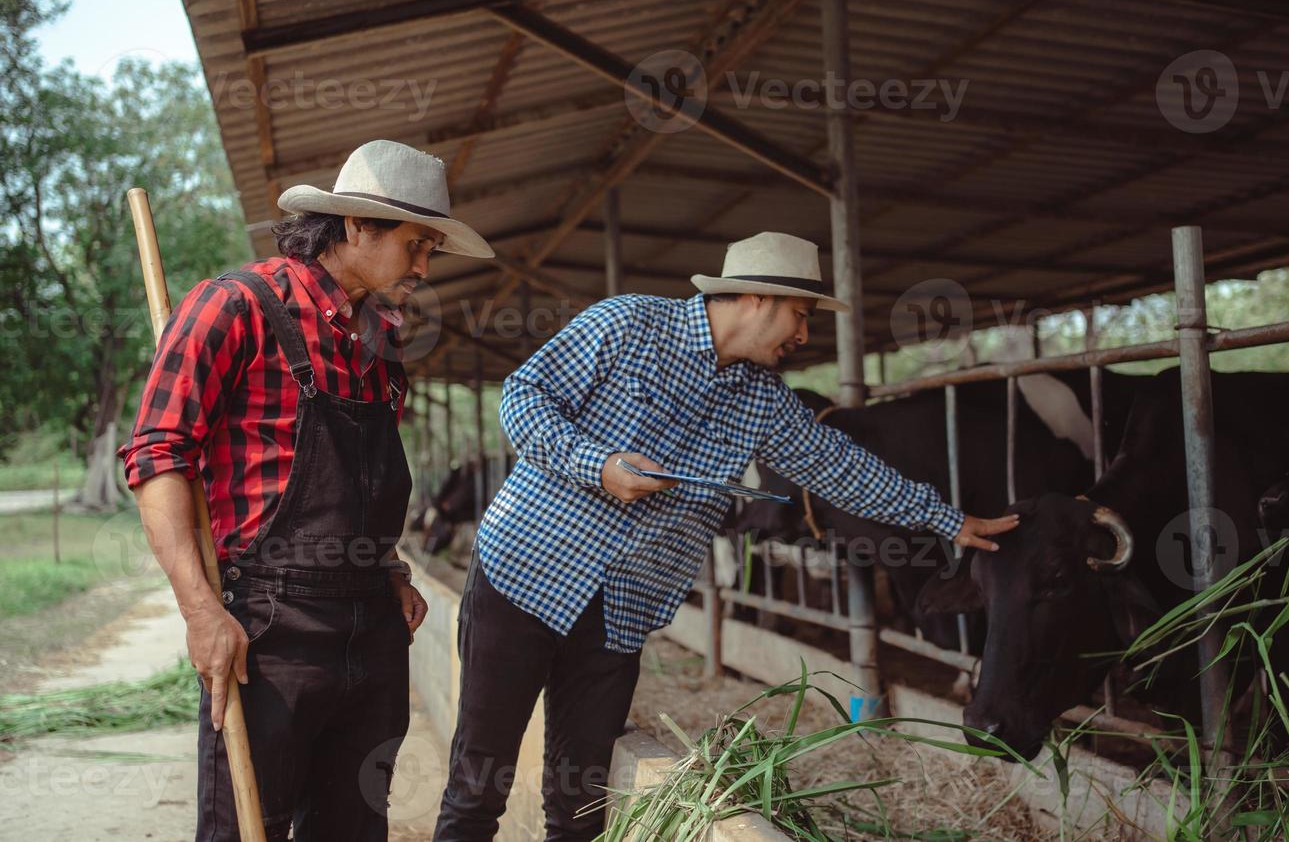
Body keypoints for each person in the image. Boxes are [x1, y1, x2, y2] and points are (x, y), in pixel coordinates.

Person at [432, 230, 1019, 841]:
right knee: (479, 783)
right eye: (800, 314)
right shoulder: (629, 323)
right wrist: (599, 465)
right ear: (759, 298)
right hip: (525, 576)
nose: (803, 334)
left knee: (581, 803)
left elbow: (842, 468)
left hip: (621, 609)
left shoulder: (763, 399)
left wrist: (949, 519)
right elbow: (523, 397)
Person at [121, 140, 495, 841]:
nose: (423, 267)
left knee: (355, 826)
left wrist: (384, 566)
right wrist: (202, 612)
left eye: (430, 250)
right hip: (270, 625)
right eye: (417, 245)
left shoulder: (383, 339)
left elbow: (363, 475)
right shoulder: (236, 306)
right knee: (246, 825)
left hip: (373, 634)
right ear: (358, 226)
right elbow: (158, 457)